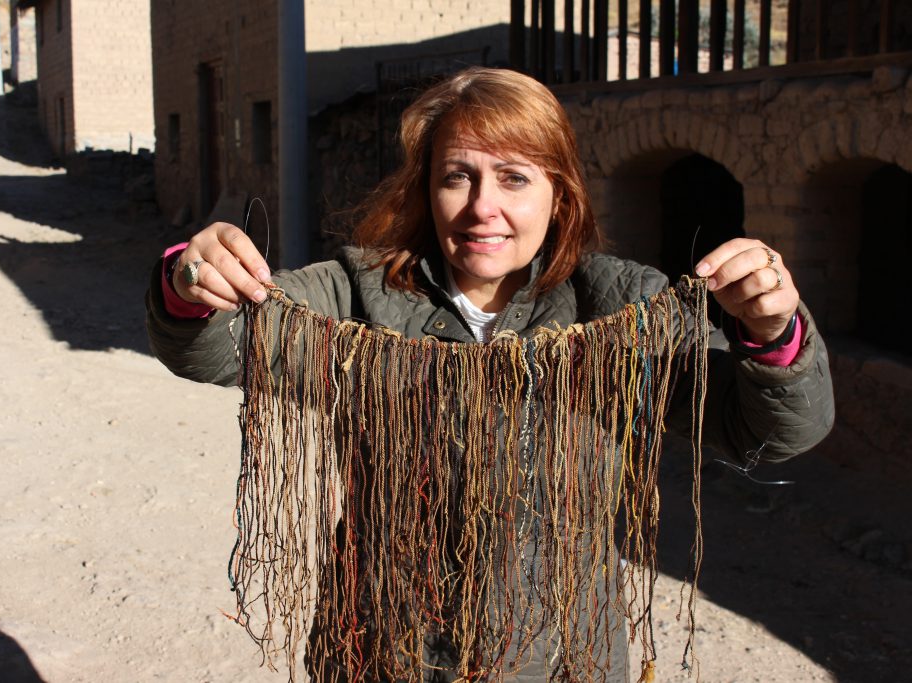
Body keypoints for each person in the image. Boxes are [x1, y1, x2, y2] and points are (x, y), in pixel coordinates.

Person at [146, 67, 834, 681]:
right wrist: (191, 278)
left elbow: (769, 433)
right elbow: (217, 347)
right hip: (382, 651)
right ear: (427, 189)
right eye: (457, 176)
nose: (482, 206)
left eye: (514, 178)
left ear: (559, 194)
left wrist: (771, 331)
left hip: (564, 657)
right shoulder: (355, 293)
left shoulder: (619, 307)